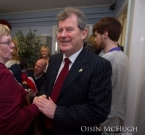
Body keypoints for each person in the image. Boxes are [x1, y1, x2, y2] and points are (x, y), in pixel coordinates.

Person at [33, 7, 112, 135]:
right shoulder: (54, 59)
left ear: (83, 33)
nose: (63, 35)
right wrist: (42, 96)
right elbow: (47, 83)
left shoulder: (99, 65)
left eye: (69, 29)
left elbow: (98, 111)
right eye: (60, 30)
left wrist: (57, 112)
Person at [93, 17, 128, 133]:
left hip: (105, 122)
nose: (95, 39)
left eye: (96, 35)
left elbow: (98, 94)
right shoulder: (123, 55)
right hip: (116, 119)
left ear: (105, 34)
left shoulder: (109, 60)